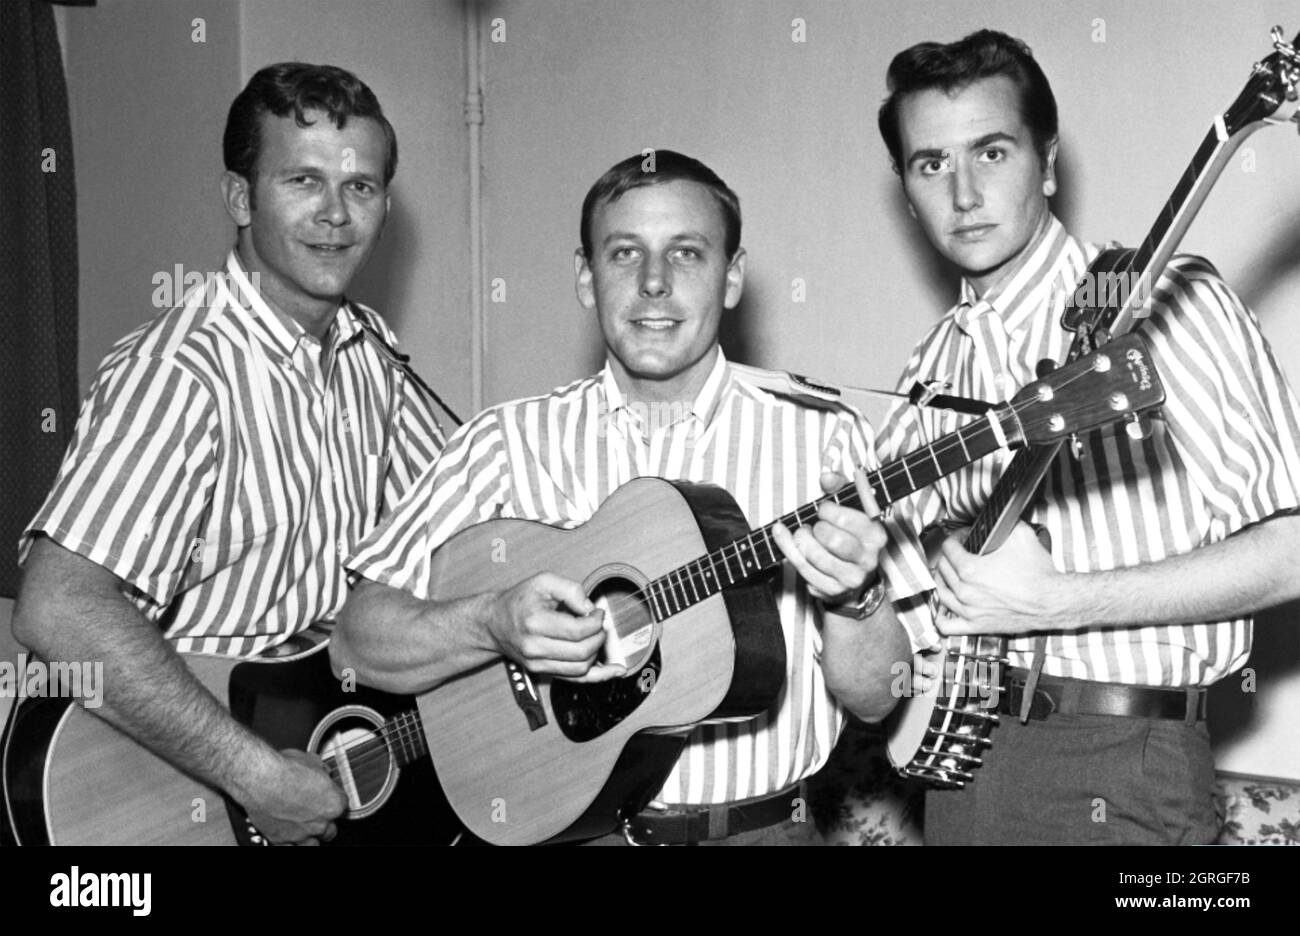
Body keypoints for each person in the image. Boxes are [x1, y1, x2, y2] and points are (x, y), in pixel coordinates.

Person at [332, 150, 935, 845]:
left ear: (732, 276)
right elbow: (355, 643)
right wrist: (491, 622)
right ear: (586, 278)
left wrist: (854, 598)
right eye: (624, 254)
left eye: (686, 253)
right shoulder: (504, 441)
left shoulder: (826, 441)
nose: (654, 284)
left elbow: (877, 696)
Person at [874, 29, 1300, 844]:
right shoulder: (927, 370)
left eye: (991, 152)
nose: (963, 192)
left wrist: (1061, 604)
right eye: (931, 165)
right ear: (907, 190)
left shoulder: (1167, 299)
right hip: (963, 765)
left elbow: (1292, 548)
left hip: (1126, 761)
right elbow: (906, 620)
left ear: (1049, 162)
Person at [10, 63, 446, 845]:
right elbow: (58, 606)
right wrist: (253, 776)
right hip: (170, 791)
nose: (336, 216)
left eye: (363, 187)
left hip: (313, 740)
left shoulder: (368, 351)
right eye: (303, 181)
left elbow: (467, 518)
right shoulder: (181, 372)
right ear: (241, 199)